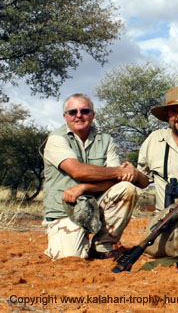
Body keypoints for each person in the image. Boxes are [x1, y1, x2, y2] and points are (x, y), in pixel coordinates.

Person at [42, 93, 141, 260]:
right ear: (65, 116)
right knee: (72, 257)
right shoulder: (56, 140)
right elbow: (78, 171)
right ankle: (63, 242)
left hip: (96, 206)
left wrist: (84, 187)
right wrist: (119, 171)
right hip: (65, 211)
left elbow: (118, 181)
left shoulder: (106, 140)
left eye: (85, 111)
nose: (79, 115)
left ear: (93, 115)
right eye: (73, 112)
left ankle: (102, 244)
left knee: (127, 188)